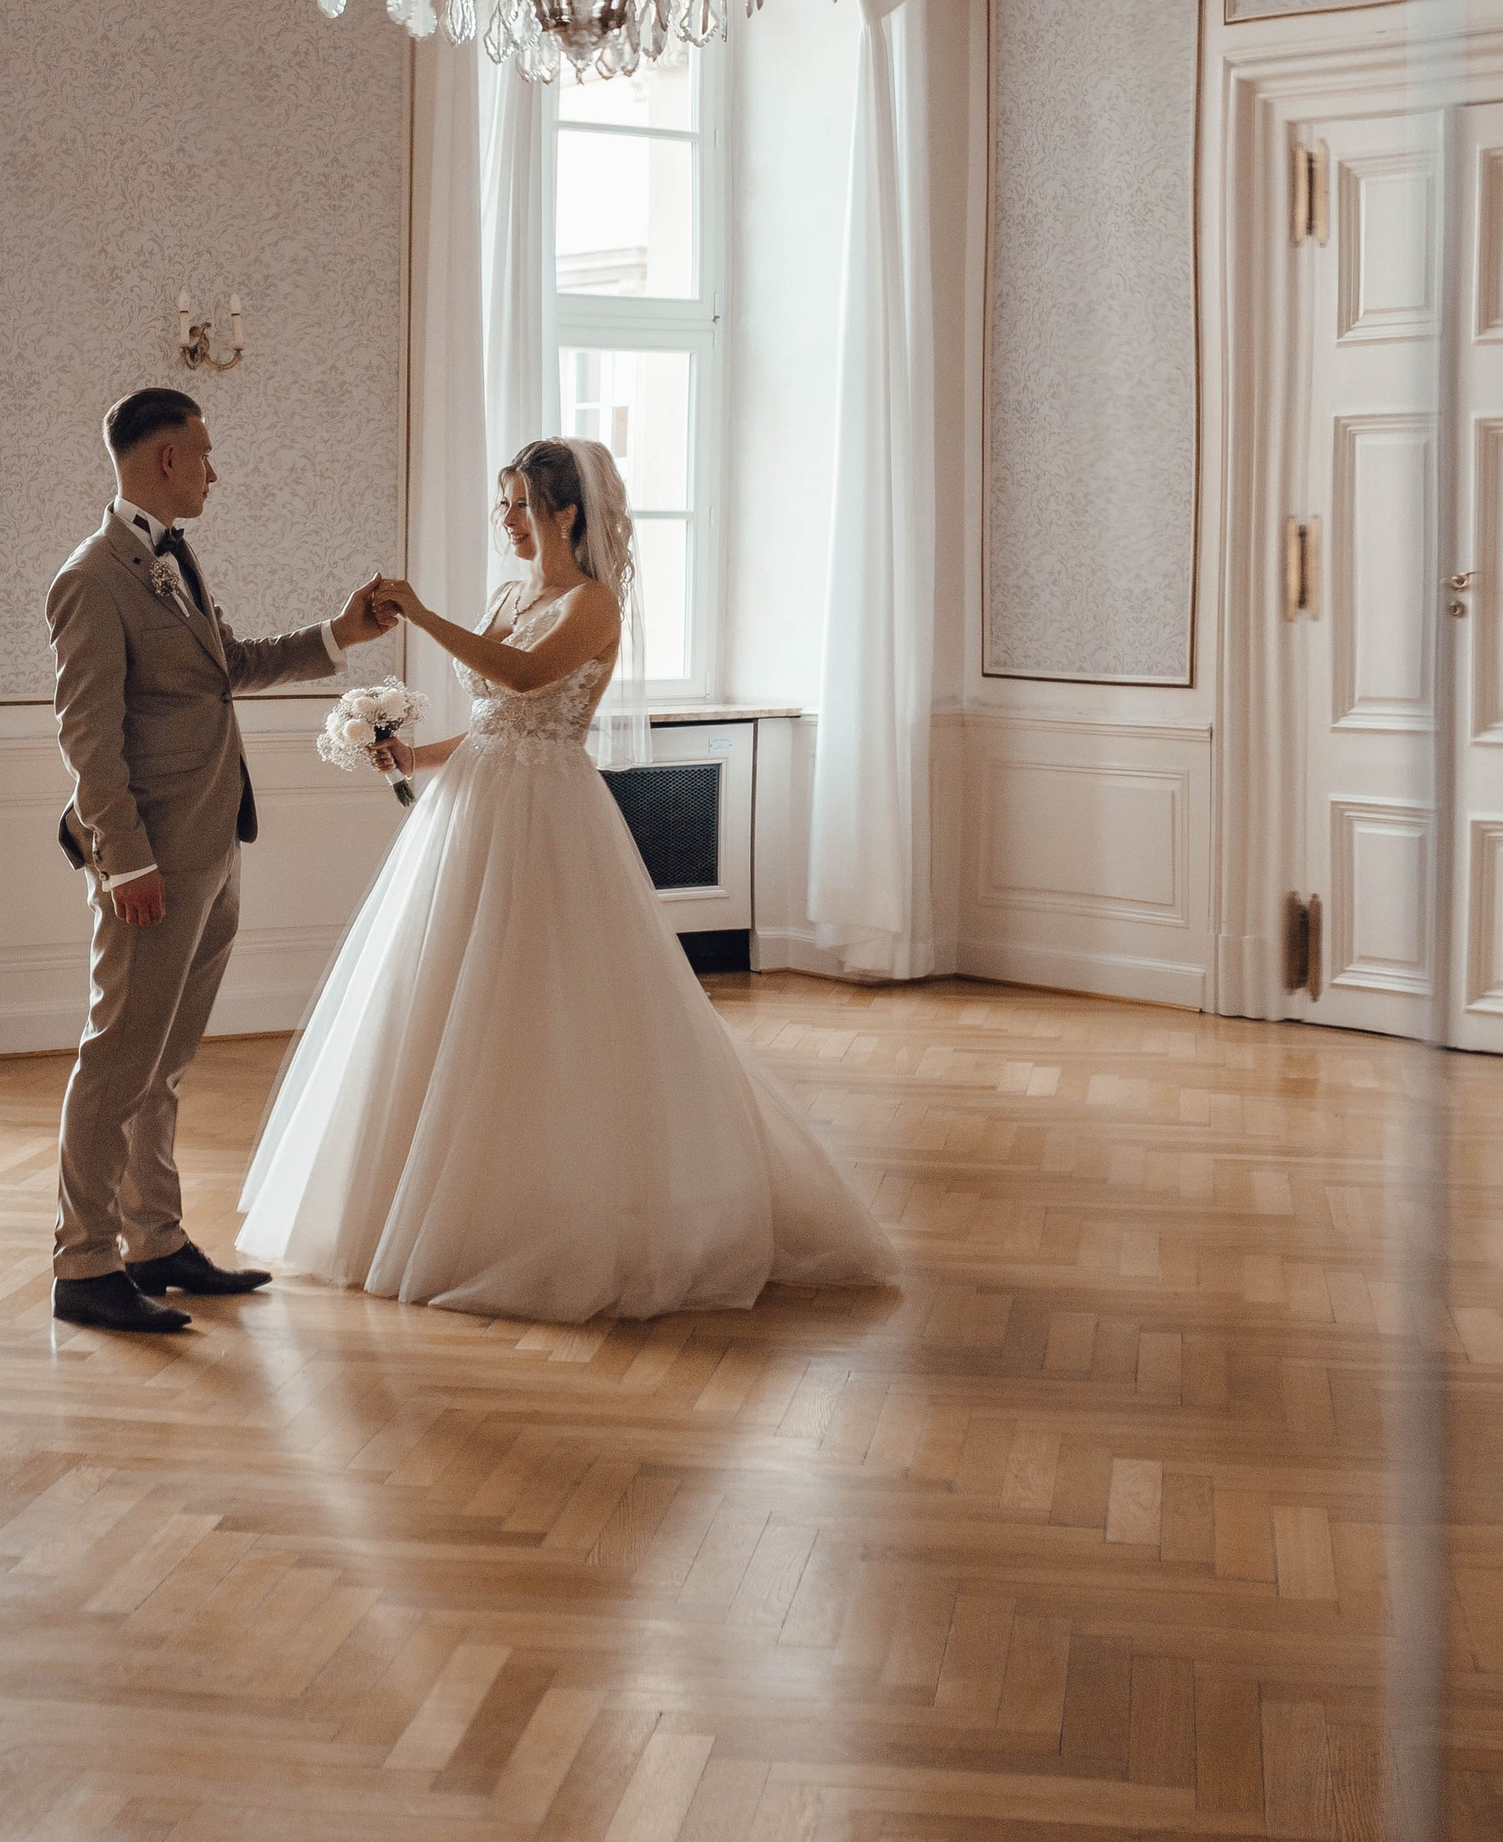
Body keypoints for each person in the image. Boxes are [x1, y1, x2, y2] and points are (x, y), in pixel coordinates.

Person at [237, 436, 898, 1322]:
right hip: (473, 810)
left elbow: (521, 677)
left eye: (517, 504)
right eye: (502, 503)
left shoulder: (593, 605)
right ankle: (437, 1202)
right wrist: (410, 756)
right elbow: (488, 724)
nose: (505, 520)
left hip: (549, 818)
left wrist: (423, 616)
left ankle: (572, 1209)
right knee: (442, 1000)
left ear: (565, 511)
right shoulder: (512, 595)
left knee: (553, 1005)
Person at [48, 385, 395, 1338]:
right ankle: (83, 1264)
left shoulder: (175, 557)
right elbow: (89, 740)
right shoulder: (92, 577)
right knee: (117, 1057)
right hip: (151, 861)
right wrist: (124, 864)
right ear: (165, 459)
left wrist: (339, 635)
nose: (215, 469)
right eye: (204, 452)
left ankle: (155, 1242)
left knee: (162, 1064)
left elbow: (222, 668)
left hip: (211, 844)